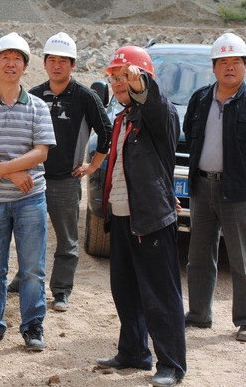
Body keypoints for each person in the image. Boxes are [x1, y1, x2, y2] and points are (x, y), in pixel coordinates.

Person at [95, 47, 186, 387]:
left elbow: (155, 103)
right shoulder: (123, 117)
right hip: (122, 216)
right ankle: (133, 352)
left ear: (144, 80)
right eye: (115, 78)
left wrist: (141, 84)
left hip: (149, 218)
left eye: (126, 77)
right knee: (126, 290)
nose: (119, 83)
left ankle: (172, 365)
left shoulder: (158, 113)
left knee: (160, 294)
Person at [8, 33, 112, 312]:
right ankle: (22, 278)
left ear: (73, 65)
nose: (57, 65)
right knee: (28, 233)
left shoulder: (85, 97)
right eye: (52, 60)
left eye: (63, 61)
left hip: (66, 181)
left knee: (66, 240)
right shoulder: (33, 95)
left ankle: (61, 291)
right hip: (34, 178)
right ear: (44, 63)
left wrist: (93, 165)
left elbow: (106, 132)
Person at [0, 33, 55, 350]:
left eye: (18, 58)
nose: (11, 63)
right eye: (5, 57)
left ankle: (33, 327)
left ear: (25, 67)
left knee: (33, 270)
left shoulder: (38, 107)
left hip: (31, 199)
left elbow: (42, 152)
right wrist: (12, 173)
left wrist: (3, 168)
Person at [183, 32, 246, 342]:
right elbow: (188, 135)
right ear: (213, 67)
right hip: (202, 186)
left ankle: (245, 321)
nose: (229, 67)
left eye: (235, 61)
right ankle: (198, 314)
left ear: (244, 66)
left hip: (239, 192)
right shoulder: (200, 99)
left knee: (241, 259)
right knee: (198, 256)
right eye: (223, 62)